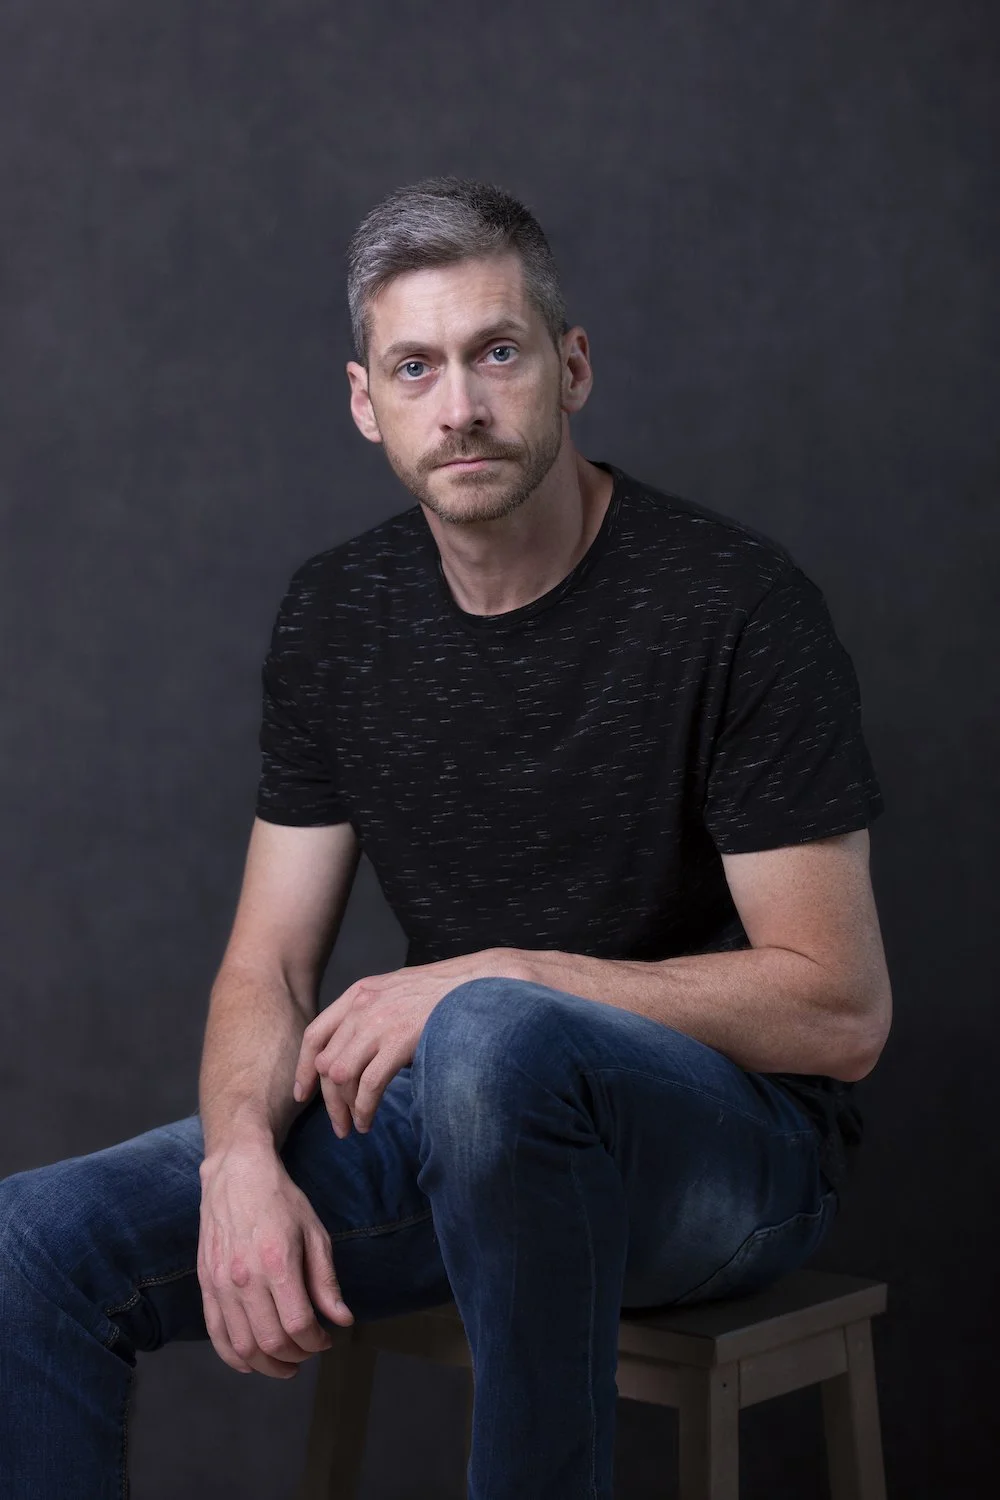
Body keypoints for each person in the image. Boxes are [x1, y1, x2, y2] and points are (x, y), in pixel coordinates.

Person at [0, 175, 892, 1499]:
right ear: (366, 402)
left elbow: (840, 1013)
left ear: (569, 367)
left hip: (725, 1158)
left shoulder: (733, 606)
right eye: (414, 367)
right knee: (38, 1242)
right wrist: (241, 1155)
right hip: (467, 1131)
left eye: (496, 354)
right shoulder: (338, 615)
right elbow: (269, 968)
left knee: (489, 1032)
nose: (460, 406)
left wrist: (506, 972)